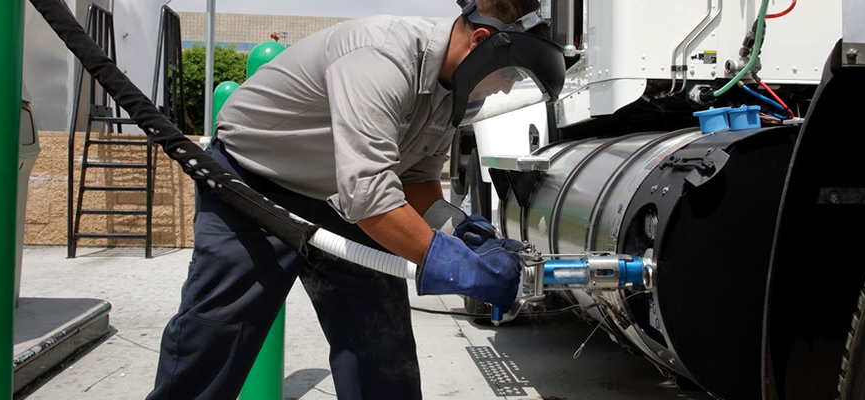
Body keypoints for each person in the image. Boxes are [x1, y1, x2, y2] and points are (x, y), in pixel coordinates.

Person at [147, 1, 562, 399]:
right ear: (481, 41)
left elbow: (415, 178)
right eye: (510, 74)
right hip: (255, 182)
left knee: (381, 348)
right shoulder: (382, 55)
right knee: (218, 333)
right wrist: (457, 267)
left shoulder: (457, 90)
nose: (505, 87)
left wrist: (461, 232)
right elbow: (369, 195)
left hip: (343, 197)